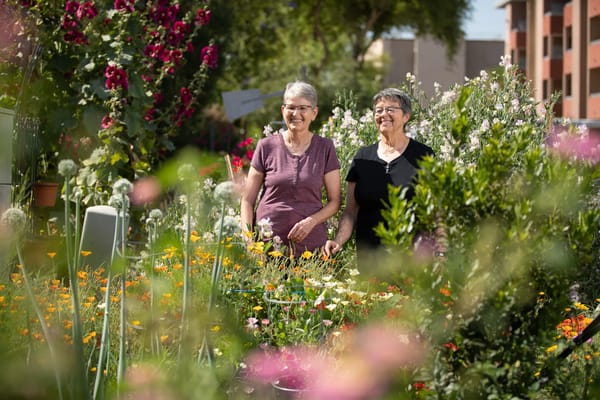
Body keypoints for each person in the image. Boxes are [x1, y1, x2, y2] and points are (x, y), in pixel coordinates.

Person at [323, 88, 436, 267]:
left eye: (391, 109)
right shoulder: (362, 157)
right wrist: (338, 241)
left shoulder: (424, 156)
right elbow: (351, 211)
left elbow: (435, 211)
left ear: (406, 116)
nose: (384, 114)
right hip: (370, 260)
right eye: (379, 110)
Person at [241, 81, 341, 254]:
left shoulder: (325, 148)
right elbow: (247, 200)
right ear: (283, 110)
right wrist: (248, 239)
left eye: (303, 108)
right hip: (266, 246)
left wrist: (311, 221)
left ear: (314, 113)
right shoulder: (266, 146)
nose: (296, 113)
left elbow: (335, 202)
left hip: (310, 246)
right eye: (291, 107)